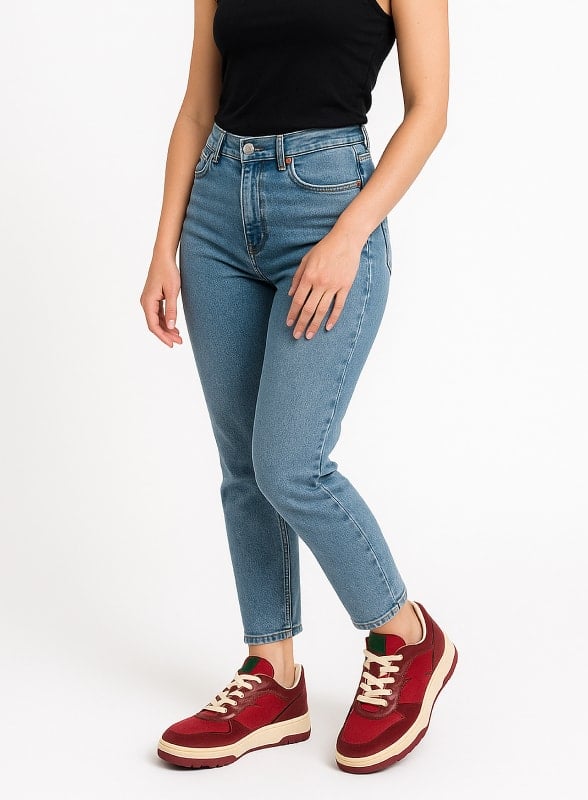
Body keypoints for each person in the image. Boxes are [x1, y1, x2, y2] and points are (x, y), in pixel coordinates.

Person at [140, 0, 456, 775]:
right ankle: (272, 674)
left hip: (327, 205)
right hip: (215, 216)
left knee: (291, 465)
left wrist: (349, 235)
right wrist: (163, 247)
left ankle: (406, 632)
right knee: (244, 468)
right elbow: (196, 107)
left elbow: (430, 111)